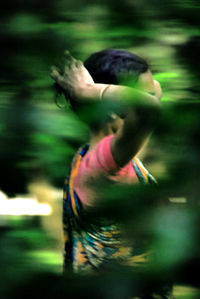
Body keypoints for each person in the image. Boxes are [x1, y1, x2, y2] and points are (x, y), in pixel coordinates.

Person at [51, 49, 172, 297]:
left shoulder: (93, 155)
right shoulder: (104, 164)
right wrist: (87, 91)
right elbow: (149, 107)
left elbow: (153, 96)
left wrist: (91, 88)